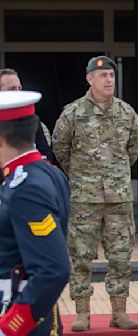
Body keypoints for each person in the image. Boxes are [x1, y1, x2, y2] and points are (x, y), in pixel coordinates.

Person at [52, 56, 138, 332]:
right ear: (89, 79)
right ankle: (82, 313)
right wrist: (81, 176)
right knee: (81, 256)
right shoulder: (73, 113)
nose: (109, 80)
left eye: (112, 76)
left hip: (118, 198)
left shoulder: (127, 113)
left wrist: (116, 175)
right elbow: (61, 149)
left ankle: (119, 311)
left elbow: (134, 149)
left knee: (121, 255)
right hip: (84, 197)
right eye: (103, 75)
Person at [0, 91, 71, 336]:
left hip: (20, 317)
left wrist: (12, 325)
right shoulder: (45, 173)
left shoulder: (26, 187)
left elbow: (53, 269)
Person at [0, 68, 54, 163]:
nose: (18, 92)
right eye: (12, 89)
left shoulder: (31, 119)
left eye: (19, 88)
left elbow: (45, 152)